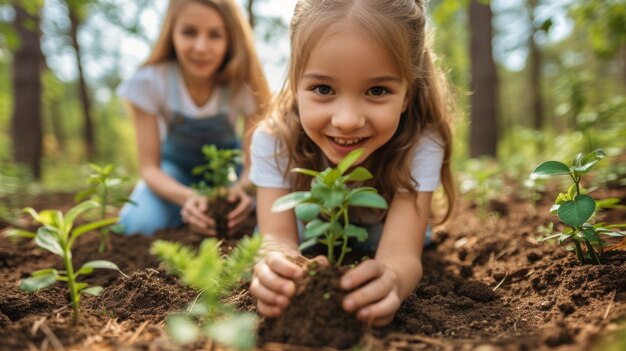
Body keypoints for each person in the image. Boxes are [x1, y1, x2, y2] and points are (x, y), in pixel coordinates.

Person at [248, 0, 456, 327]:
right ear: (295, 81)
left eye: (377, 90)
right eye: (323, 88)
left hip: (388, 232)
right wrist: (276, 268)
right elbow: (276, 238)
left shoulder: (421, 143)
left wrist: (392, 279)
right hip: (308, 231)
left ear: (408, 95)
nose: (347, 120)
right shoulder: (274, 140)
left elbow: (401, 253)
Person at [117, 0, 270, 236]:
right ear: (172, 33)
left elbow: (253, 165)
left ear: (231, 38)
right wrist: (189, 198)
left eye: (215, 35)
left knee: (275, 211)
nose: (201, 47)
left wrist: (241, 190)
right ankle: (185, 215)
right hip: (175, 174)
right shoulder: (149, 82)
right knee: (139, 225)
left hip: (230, 173)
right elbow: (149, 168)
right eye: (189, 32)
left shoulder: (243, 83)